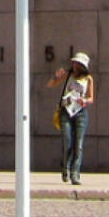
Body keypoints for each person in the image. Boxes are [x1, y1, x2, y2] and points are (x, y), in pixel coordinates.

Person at [46, 52, 95, 185]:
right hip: (66, 111)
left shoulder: (88, 79)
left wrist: (84, 100)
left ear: (82, 66)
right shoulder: (68, 75)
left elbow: (91, 97)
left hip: (80, 112)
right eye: (74, 63)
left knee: (78, 144)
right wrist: (56, 77)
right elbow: (50, 84)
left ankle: (75, 173)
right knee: (67, 141)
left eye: (77, 64)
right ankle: (65, 168)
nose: (74, 66)